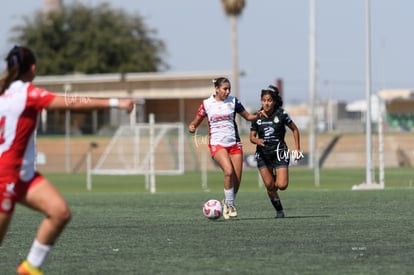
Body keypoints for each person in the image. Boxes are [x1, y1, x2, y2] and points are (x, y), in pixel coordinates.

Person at [0, 45, 135, 275]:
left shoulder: (5, 95)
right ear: (32, 68)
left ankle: (30, 267)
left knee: (59, 212)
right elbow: (72, 102)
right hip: (5, 176)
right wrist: (115, 102)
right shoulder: (29, 95)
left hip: (23, 175)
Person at [188, 77, 265, 220]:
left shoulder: (233, 101)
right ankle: (230, 205)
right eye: (225, 89)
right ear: (216, 89)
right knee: (228, 171)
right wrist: (192, 126)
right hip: (217, 144)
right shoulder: (206, 104)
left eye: (229, 88)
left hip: (234, 143)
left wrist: (257, 115)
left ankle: (227, 202)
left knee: (237, 179)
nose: (227, 91)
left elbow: (247, 116)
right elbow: (196, 121)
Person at [249, 85, 302, 218]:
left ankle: (274, 182)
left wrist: (297, 149)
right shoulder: (257, 116)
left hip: (279, 152)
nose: (266, 103)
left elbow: (295, 129)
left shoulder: (281, 114)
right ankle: (279, 210)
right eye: (264, 100)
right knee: (269, 186)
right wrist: (257, 141)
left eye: (269, 100)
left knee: (282, 185)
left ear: (274, 101)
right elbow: (251, 137)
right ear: (261, 101)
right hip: (263, 154)